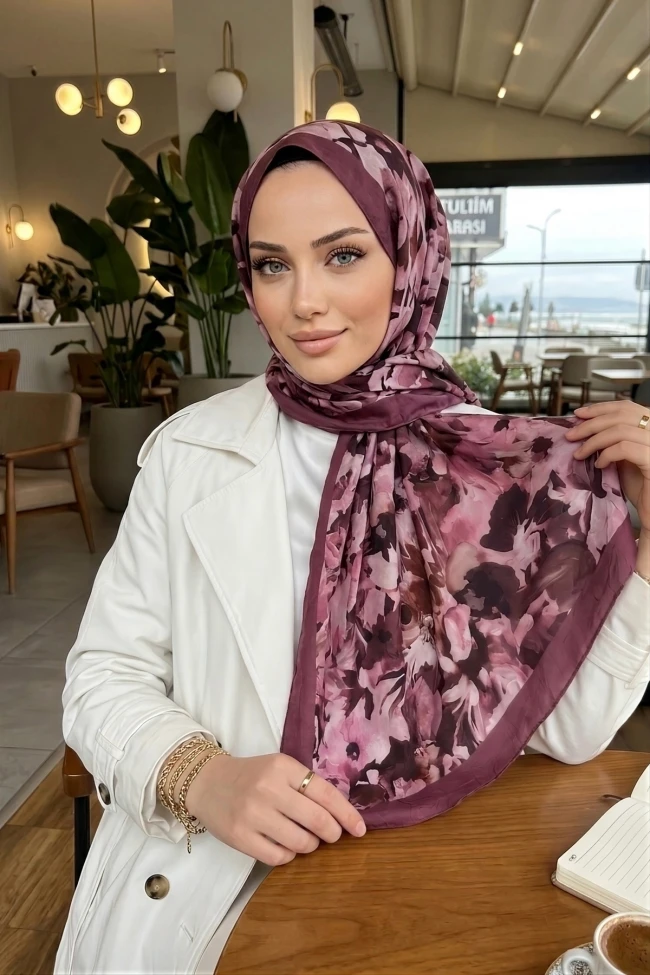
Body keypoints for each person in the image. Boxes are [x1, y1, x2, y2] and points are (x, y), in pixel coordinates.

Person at [55, 121, 650, 975]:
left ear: (410, 258)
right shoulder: (192, 454)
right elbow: (103, 672)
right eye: (272, 265)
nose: (303, 301)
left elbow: (571, 727)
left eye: (342, 255)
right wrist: (202, 775)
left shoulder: (501, 472)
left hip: (406, 887)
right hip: (203, 886)